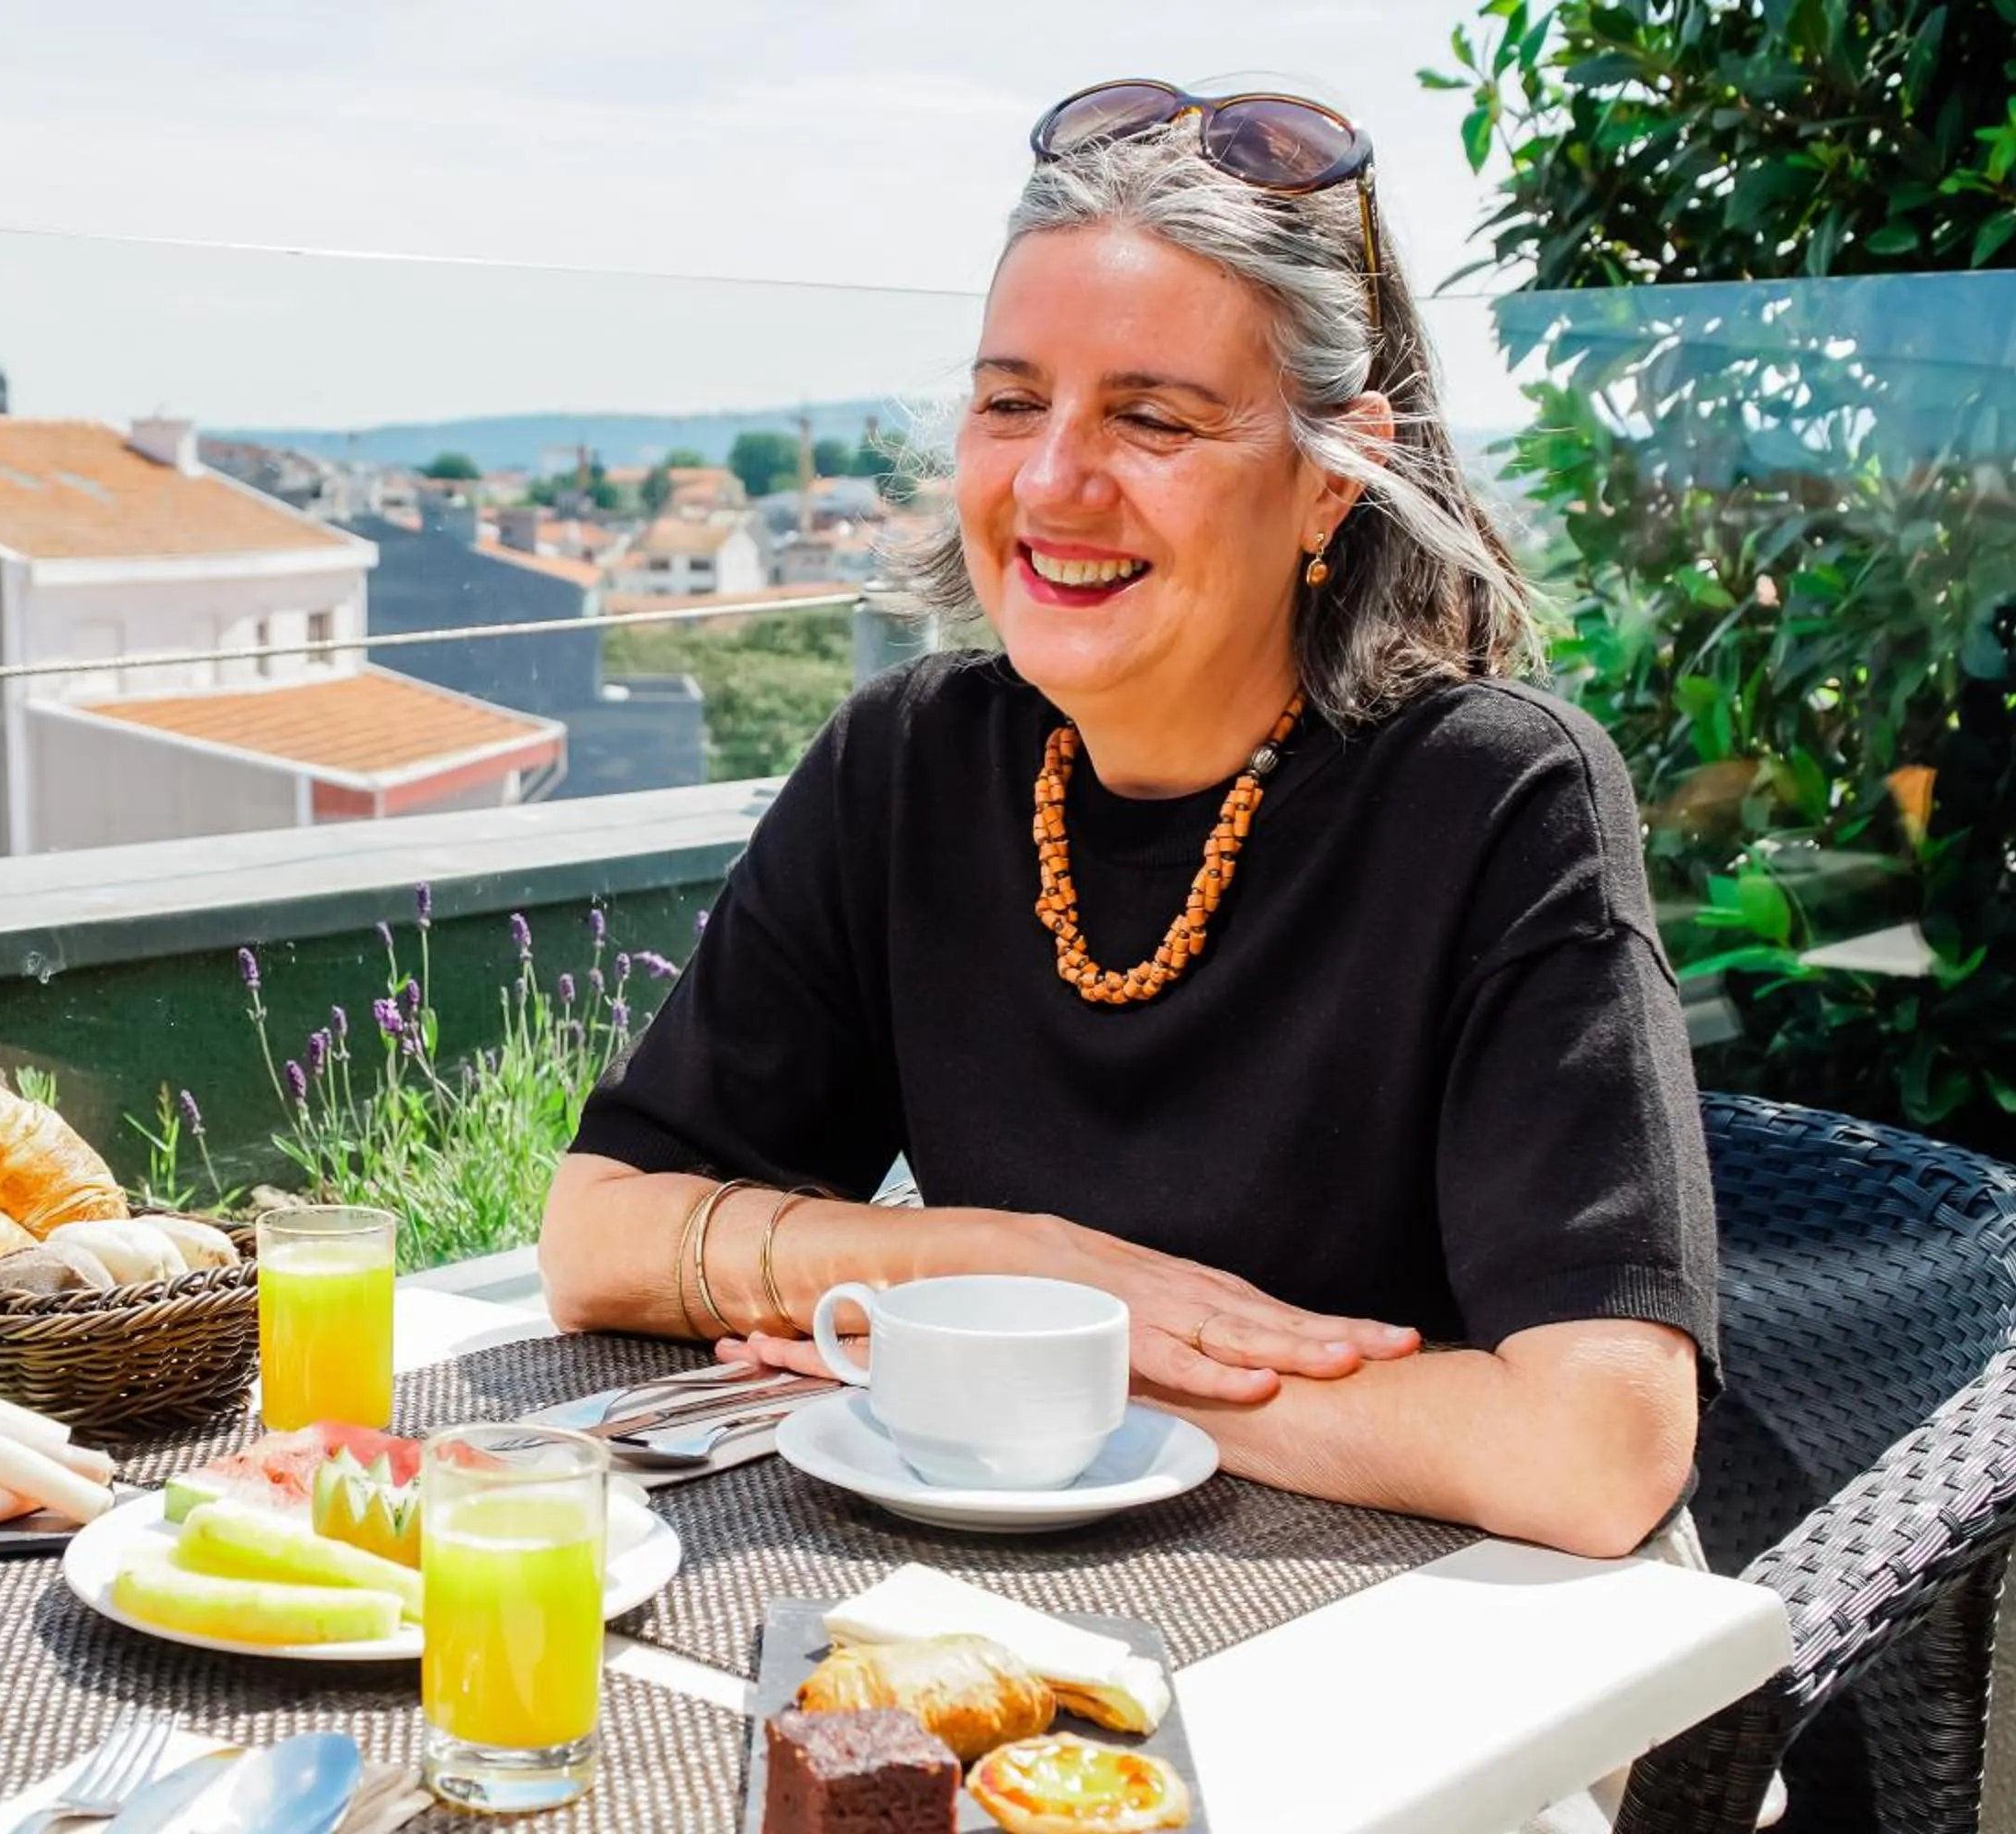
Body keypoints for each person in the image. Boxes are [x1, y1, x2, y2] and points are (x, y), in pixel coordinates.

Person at [538, 79, 1716, 1565]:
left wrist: (1046, 1366)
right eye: (1013, 401)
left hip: (1460, 1659)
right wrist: (993, 1262)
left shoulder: (1496, 795)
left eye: (1152, 417)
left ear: (1326, 483)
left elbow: (1597, 1452)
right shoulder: (905, 764)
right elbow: (596, 1238)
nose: (1051, 482)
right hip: (1019, 1593)